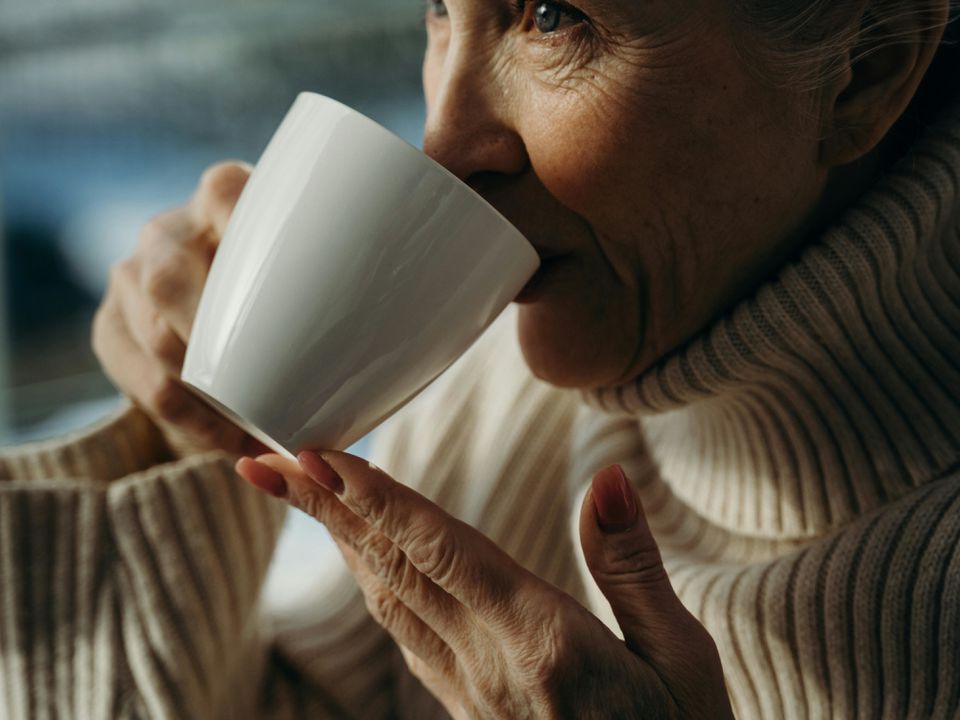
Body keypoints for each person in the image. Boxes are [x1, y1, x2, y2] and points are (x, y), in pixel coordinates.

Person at [1, 0, 958, 717]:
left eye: (553, 18)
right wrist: (188, 446)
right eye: (437, 8)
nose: (444, 144)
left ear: (869, 72)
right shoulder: (495, 404)